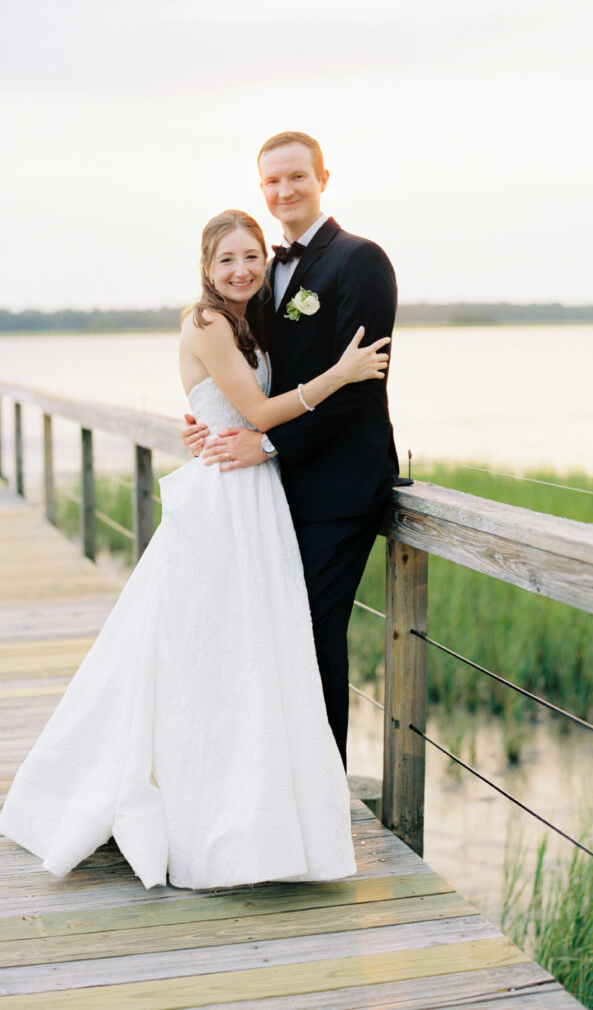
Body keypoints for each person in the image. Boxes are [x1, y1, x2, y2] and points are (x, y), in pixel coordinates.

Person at [0, 209, 390, 891]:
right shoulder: (206, 324)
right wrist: (344, 373)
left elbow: (245, 403)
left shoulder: (247, 320)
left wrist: (212, 420)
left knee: (249, 651)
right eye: (225, 260)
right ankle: (193, 810)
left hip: (255, 492)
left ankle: (260, 814)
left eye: (250, 258)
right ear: (205, 269)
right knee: (203, 649)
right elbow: (262, 415)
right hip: (228, 496)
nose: (240, 270)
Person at [183, 132, 401, 767]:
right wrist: (203, 419)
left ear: (323, 177)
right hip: (276, 491)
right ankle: (278, 777)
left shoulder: (360, 260)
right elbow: (249, 378)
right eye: (272, 181)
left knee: (313, 634)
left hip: (338, 488)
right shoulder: (266, 272)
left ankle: (324, 784)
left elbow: (362, 384)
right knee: (272, 632)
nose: (285, 191)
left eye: (296, 177)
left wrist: (268, 444)